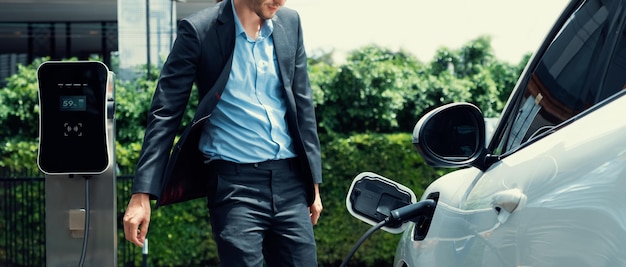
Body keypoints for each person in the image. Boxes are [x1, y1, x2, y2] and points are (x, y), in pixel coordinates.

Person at [122, 0, 323, 266]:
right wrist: (141, 193)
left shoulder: (290, 22)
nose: (280, 0)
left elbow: (302, 106)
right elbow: (165, 112)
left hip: (290, 183)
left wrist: (313, 186)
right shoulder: (199, 30)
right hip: (235, 186)